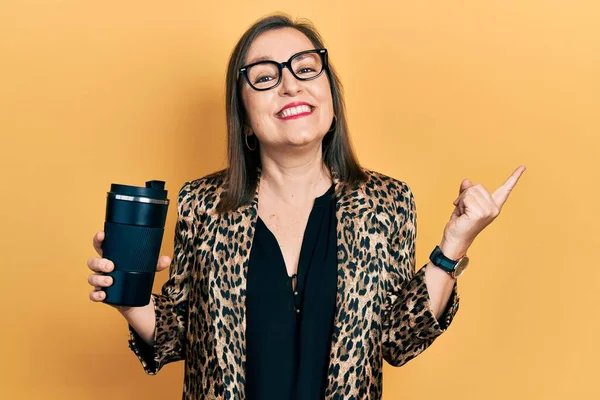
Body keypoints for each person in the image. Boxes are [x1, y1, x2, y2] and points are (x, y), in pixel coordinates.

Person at [86, 13, 525, 400]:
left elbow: (397, 340)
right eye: (264, 77)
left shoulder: (386, 202)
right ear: (244, 116)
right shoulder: (202, 205)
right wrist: (131, 300)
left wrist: (453, 246)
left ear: (329, 94)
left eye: (306, 68)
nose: (291, 85)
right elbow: (181, 338)